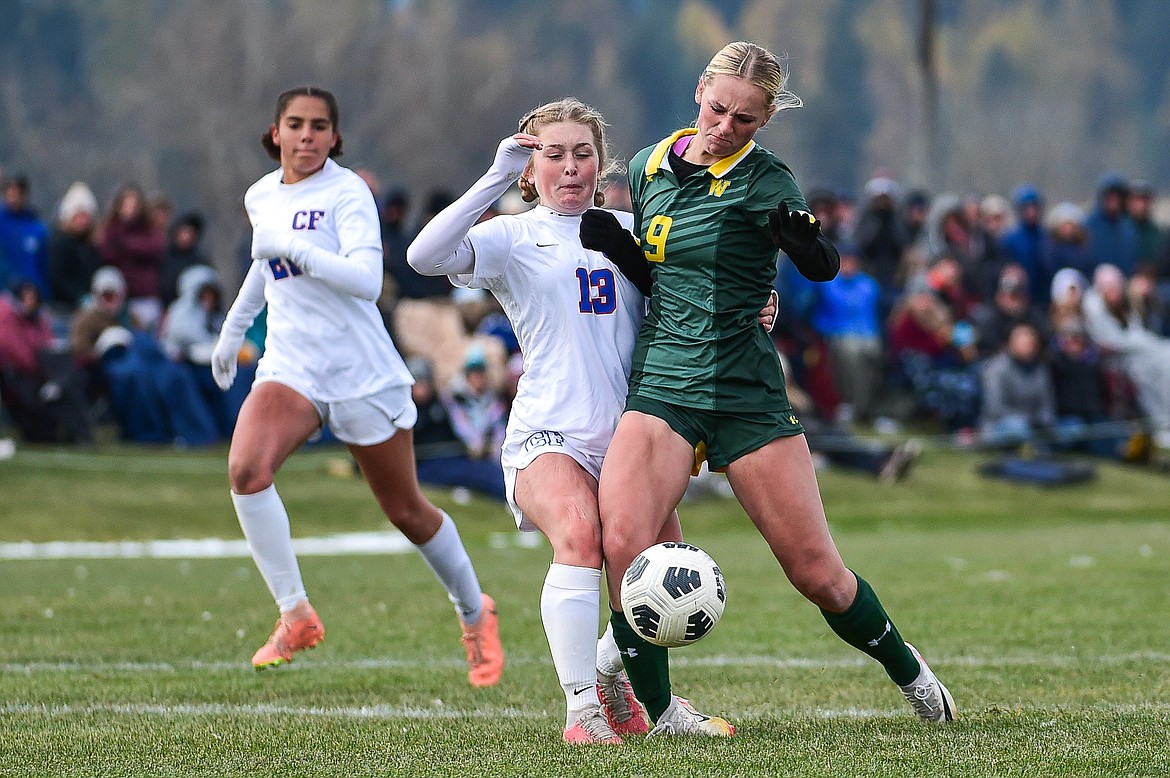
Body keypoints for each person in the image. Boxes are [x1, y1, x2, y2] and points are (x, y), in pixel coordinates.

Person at [580, 41, 956, 734]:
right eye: (719, 109)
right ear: (700, 91)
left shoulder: (768, 180)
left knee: (819, 576)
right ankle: (662, 714)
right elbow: (660, 275)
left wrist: (808, 251)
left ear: (764, 123)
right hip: (664, 382)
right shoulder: (646, 166)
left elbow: (822, 263)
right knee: (626, 541)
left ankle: (913, 674)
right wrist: (618, 248)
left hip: (746, 390)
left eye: (745, 120)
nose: (725, 128)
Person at [408, 97, 780, 744]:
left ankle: (621, 679)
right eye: (553, 154)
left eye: (583, 153)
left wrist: (754, 305)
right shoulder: (512, 238)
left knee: (654, 569)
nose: (571, 167)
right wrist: (495, 179)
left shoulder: (635, 229)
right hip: (547, 434)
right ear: (532, 166)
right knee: (579, 536)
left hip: (636, 434)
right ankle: (582, 711)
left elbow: (705, 291)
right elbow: (423, 256)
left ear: (602, 162)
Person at [210, 86, 502, 684]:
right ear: (276, 133)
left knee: (405, 510)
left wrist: (291, 245)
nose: (308, 136)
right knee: (246, 471)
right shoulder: (260, 194)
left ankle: (476, 612)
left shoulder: (347, 193)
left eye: (320, 126)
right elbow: (266, 267)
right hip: (291, 366)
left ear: (334, 137)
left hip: (360, 373)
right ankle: (295, 615)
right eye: (296, 124)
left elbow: (367, 281)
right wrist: (232, 329)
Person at [98, 184, 166, 331]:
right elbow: (106, 253)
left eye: (134, 205)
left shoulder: (148, 229)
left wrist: (127, 244)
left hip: (145, 296)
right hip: (120, 298)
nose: (130, 210)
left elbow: (154, 247)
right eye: (126, 205)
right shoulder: (111, 230)